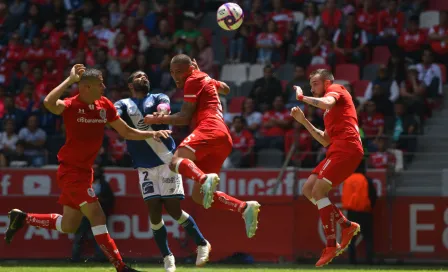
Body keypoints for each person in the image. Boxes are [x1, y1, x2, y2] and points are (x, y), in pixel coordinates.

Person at [5, 64, 171, 272]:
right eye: (99, 83)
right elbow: (48, 103)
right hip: (71, 172)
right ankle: (121, 267)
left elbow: (126, 132)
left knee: (69, 225)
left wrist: (151, 134)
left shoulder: (105, 105)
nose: (104, 86)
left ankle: (23, 218)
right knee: (98, 216)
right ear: (85, 87)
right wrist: (69, 80)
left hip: (85, 171)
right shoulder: (71, 105)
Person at [144, 54, 260, 239]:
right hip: (222, 138)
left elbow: (184, 118)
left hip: (209, 129)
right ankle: (244, 207)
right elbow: (227, 89)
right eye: (172, 72)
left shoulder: (192, 80)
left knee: (175, 161)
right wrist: (202, 74)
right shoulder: (203, 77)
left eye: (179, 72)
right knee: (199, 197)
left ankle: (203, 178)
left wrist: (157, 119)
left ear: (189, 70)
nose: (175, 77)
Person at [115, 70, 210, 272]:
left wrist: (162, 113)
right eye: (139, 76)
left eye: (146, 76)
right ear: (130, 84)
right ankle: (167, 257)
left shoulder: (158, 96)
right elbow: (112, 114)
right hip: (143, 165)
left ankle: (202, 243)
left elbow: (164, 106)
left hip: (167, 160)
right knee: (154, 213)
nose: (144, 78)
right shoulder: (124, 104)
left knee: (174, 210)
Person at [291, 69, 364, 267]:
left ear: (326, 82)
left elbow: (327, 101)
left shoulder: (336, 89)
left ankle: (331, 244)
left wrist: (301, 97)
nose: (312, 88)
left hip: (347, 148)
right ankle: (346, 225)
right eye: (311, 84)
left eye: (315, 83)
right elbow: (325, 140)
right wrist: (304, 121)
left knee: (318, 190)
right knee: (308, 190)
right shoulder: (328, 113)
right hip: (335, 150)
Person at [342, 160, 377, 265]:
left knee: (351, 239)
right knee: (368, 238)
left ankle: (352, 261)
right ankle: (369, 261)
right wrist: (370, 207)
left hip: (351, 212)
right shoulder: (367, 180)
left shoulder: (347, 180)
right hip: (365, 212)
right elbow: (374, 196)